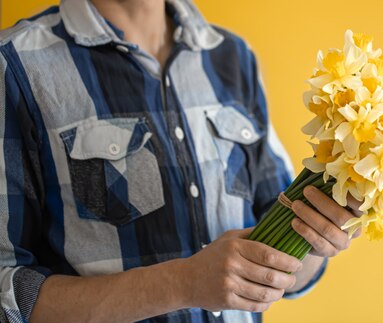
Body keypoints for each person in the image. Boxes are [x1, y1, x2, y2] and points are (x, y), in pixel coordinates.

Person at [0, 0, 361, 322]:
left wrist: (316, 237)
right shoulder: (15, 64)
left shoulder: (233, 57)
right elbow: (7, 293)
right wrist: (181, 283)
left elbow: (281, 255)